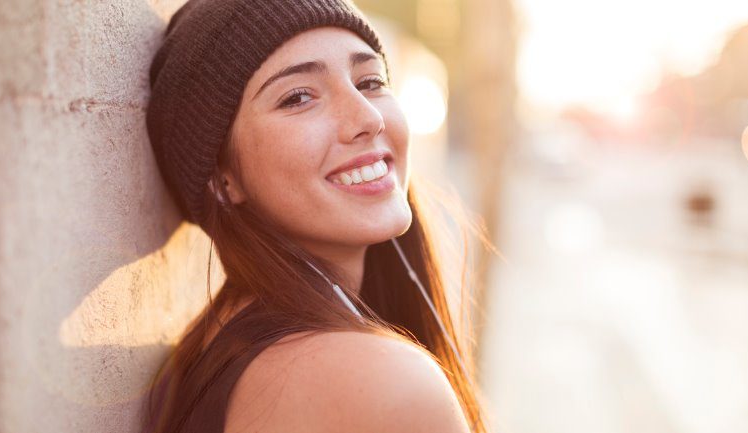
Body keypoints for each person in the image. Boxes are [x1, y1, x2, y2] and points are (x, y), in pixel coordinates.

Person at [143, 0, 491, 432]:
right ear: (222, 177)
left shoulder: (214, 350)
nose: (367, 117)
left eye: (370, 81)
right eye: (298, 97)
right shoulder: (379, 380)